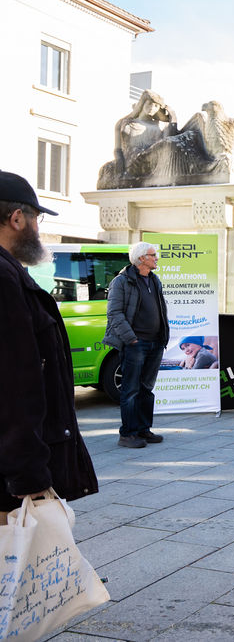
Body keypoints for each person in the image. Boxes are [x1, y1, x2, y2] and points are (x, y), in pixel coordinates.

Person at [0, 171, 97, 521]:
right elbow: (15, 385)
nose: (38, 229)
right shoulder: (4, 278)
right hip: (10, 475)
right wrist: (28, 473)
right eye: (36, 219)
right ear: (16, 219)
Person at [104, 240, 170, 448]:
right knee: (131, 390)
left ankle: (143, 429)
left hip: (155, 343)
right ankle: (128, 434)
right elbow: (114, 313)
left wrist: (162, 336)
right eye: (153, 255)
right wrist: (131, 339)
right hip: (135, 343)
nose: (156, 257)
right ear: (142, 258)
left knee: (146, 389)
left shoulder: (154, 280)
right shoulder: (121, 282)